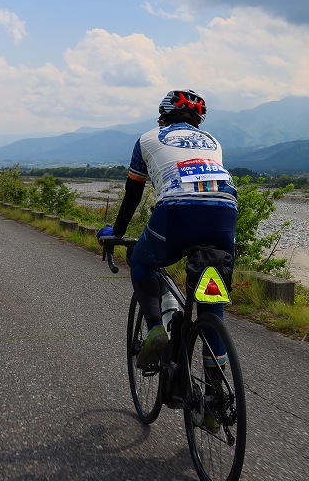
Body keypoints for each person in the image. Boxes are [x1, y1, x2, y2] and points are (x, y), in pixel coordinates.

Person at [99, 89, 238, 377]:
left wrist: (118, 231)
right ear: (198, 121)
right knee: (212, 300)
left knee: (141, 260)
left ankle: (156, 331)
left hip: (176, 210)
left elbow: (133, 193)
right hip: (225, 212)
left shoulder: (147, 139)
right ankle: (215, 400)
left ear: (162, 117)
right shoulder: (213, 141)